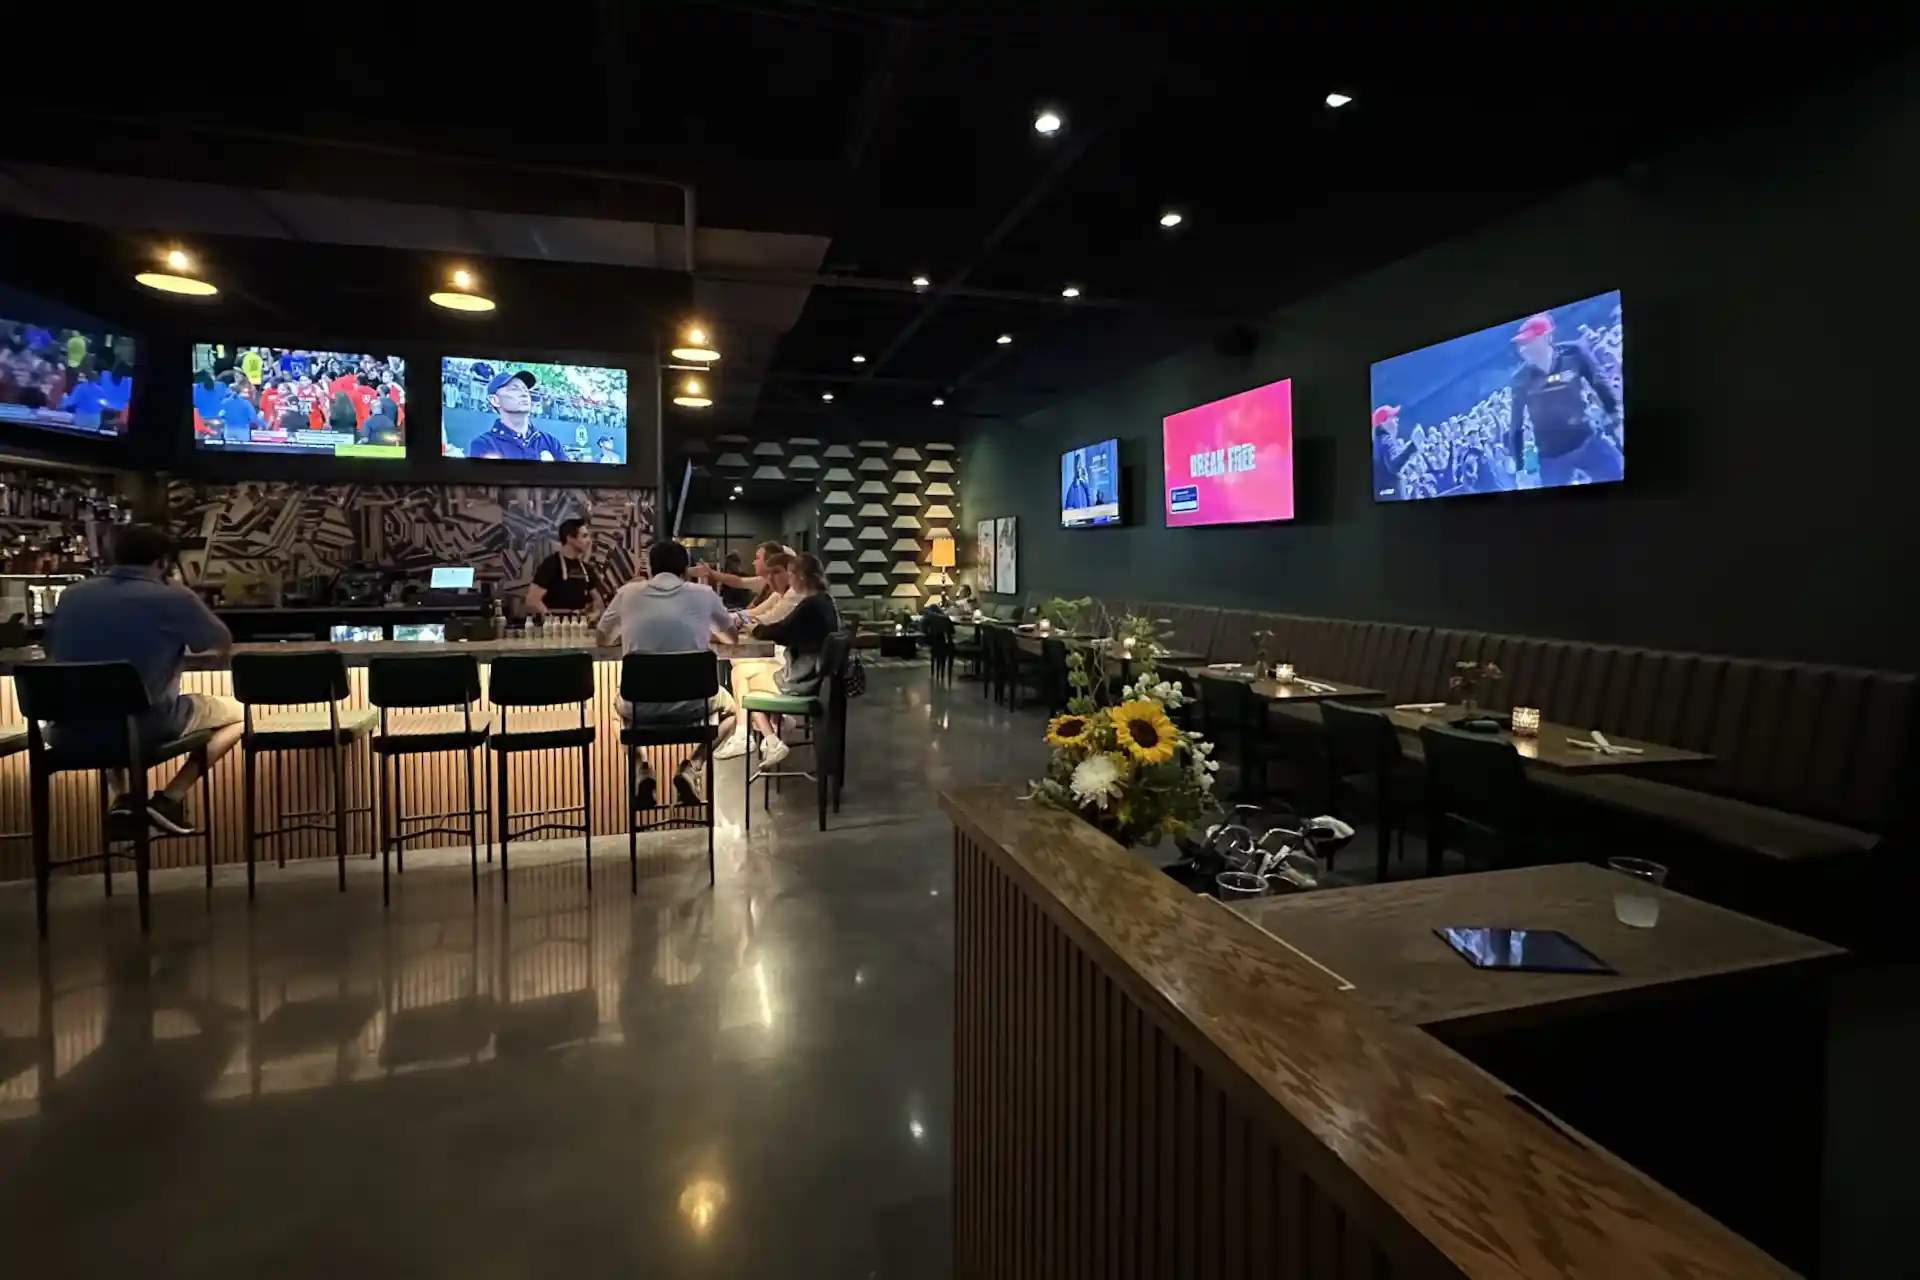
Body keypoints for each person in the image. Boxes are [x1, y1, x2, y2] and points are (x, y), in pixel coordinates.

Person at [42, 524, 244, 837]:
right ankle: (168, 800)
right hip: (143, 729)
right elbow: (219, 645)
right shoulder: (172, 598)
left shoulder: (72, 595)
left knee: (105, 697)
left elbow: (51, 649)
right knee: (238, 714)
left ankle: (124, 800)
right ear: (163, 562)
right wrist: (183, 594)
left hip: (66, 732)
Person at [595, 539, 740, 806]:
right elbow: (732, 637)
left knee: (615, 713)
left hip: (640, 707)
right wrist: (705, 631)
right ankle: (692, 767)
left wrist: (630, 634)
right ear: (685, 570)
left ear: (650, 569)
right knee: (732, 712)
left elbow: (601, 639)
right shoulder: (704, 594)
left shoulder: (628, 593)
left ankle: (642, 768)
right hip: (695, 705)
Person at [716, 553, 840, 767]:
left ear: (800, 577)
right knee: (744, 673)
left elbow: (781, 631)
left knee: (741, 676)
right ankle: (774, 731)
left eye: (790, 575)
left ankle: (762, 738)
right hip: (814, 677)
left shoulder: (809, 605)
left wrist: (755, 629)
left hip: (802, 681)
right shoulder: (825, 601)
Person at [1506, 312, 1623, 488]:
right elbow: (1516, 425)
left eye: (1529, 342)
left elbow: (1599, 383)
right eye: (1522, 344)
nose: (1523, 349)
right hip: (1551, 456)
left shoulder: (1574, 353)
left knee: (1619, 472)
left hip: (1586, 439)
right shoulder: (1520, 379)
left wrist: (1615, 415)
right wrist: (1520, 467)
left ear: (1547, 337)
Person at [468, 368, 566, 461]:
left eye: (525, 389)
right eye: (514, 389)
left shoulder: (550, 442)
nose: (524, 394)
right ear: (495, 400)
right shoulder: (484, 444)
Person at [526, 517, 597, 616]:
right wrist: (549, 619)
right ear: (570, 538)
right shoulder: (551, 565)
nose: (589, 541)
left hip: (580, 626)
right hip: (557, 628)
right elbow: (532, 600)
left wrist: (594, 615)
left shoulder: (586, 569)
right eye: (584, 536)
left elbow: (598, 601)